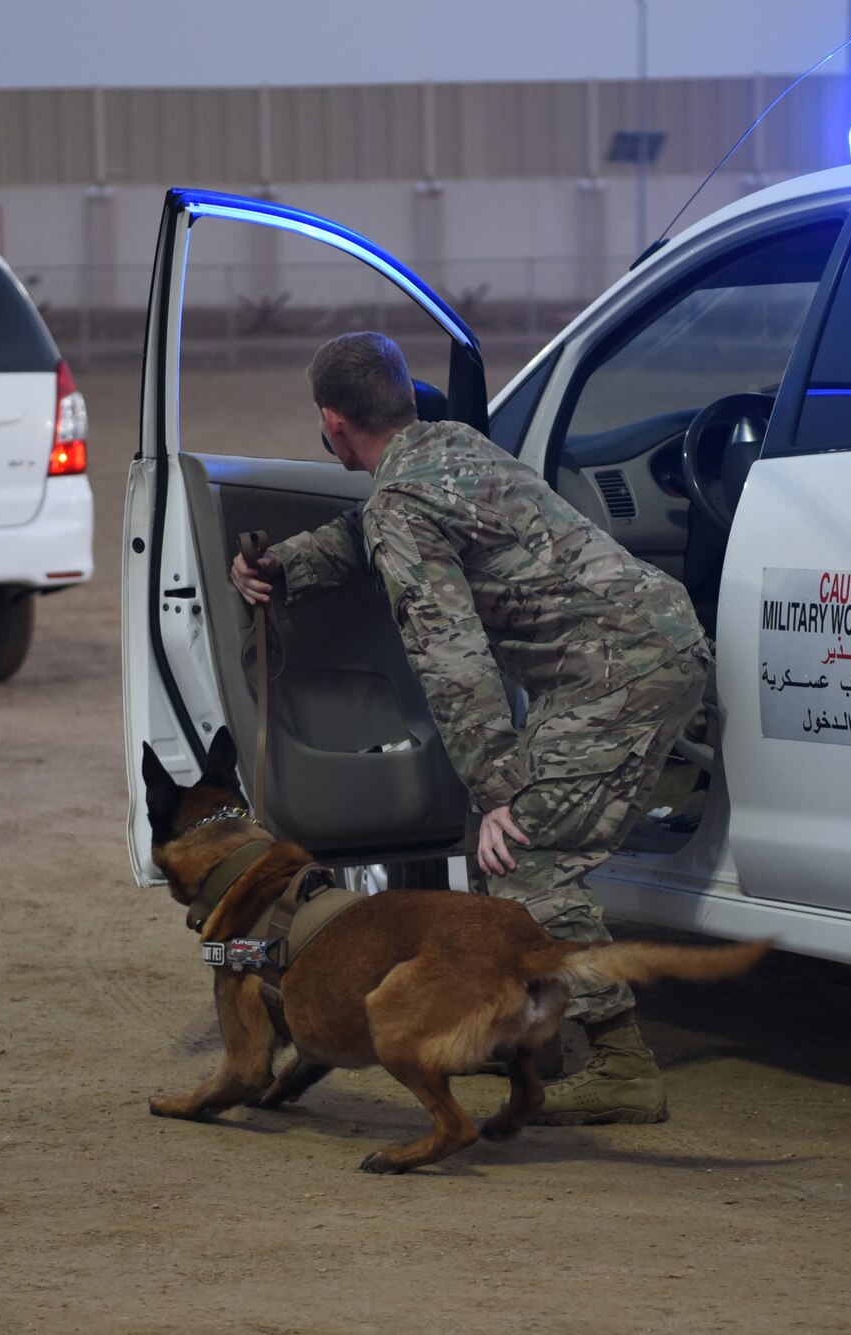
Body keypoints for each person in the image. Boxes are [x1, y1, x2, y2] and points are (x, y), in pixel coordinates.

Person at [230, 331, 709, 1125]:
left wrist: (501, 794)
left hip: (617, 670)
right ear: (407, 398)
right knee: (489, 842)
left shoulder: (400, 502)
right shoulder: (450, 448)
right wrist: (290, 564)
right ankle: (530, 1042)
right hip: (639, 645)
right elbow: (366, 532)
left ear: (332, 423)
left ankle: (623, 1064)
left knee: (521, 851)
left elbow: (452, 661)